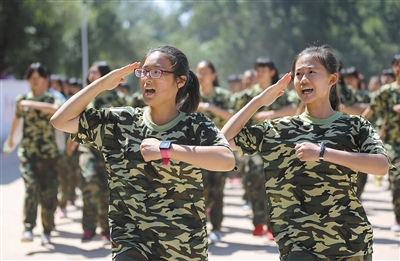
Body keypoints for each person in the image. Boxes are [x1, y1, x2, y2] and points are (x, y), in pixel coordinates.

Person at [50, 45, 235, 261]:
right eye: (144, 71)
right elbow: (60, 121)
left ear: (180, 80)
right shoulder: (120, 122)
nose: (147, 78)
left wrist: (167, 149)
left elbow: (226, 160)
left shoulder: (195, 125)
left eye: (157, 72)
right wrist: (100, 84)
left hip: (182, 246)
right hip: (130, 243)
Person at [222, 45, 391, 260]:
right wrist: (258, 102)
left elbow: (381, 165)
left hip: (349, 242)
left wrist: (323, 153)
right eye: (298, 74)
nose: (303, 79)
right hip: (298, 244)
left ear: (332, 79)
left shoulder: (355, 126)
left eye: (312, 72)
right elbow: (222, 140)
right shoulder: (279, 129)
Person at [231, 56, 297, 241]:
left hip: (277, 145)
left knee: (275, 185)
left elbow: (294, 107)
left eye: (264, 70)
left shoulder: (280, 92)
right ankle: (259, 221)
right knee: (255, 179)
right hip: (251, 146)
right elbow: (235, 113)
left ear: (272, 72)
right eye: (257, 70)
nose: (259, 73)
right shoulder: (248, 94)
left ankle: (272, 225)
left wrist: (272, 113)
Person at [5, 63, 63, 245]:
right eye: (31, 77)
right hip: (28, 152)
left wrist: (30, 104)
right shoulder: (21, 99)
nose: (34, 81)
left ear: (45, 79)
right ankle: (28, 228)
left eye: (38, 77)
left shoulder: (52, 98)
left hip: (49, 154)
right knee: (31, 189)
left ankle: (47, 229)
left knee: (48, 194)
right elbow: (17, 118)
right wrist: (11, 141)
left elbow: (57, 111)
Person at [74, 60, 127, 245]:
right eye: (89, 72)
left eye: (94, 72)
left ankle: (106, 230)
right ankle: (88, 228)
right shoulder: (85, 96)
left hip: (110, 151)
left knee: (107, 190)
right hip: (87, 148)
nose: (90, 76)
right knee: (89, 184)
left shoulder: (118, 99)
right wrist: (71, 143)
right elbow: (75, 120)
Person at [195, 60, 233, 243]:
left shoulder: (223, 96)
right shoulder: (192, 95)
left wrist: (210, 107)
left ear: (213, 75)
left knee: (217, 190)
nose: (201, 75)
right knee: (201, 189)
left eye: (204, 72)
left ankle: (216, 228)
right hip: (197, 151)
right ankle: (200, 227)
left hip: (219, 149)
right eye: (198, 72)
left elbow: (234, 116)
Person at [362, 54, 400, 232]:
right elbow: (371, 109)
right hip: (393, 143)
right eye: (397, 65)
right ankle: (399, 218)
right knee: (397, 178)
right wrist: (353, 128)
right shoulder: (387, 92)